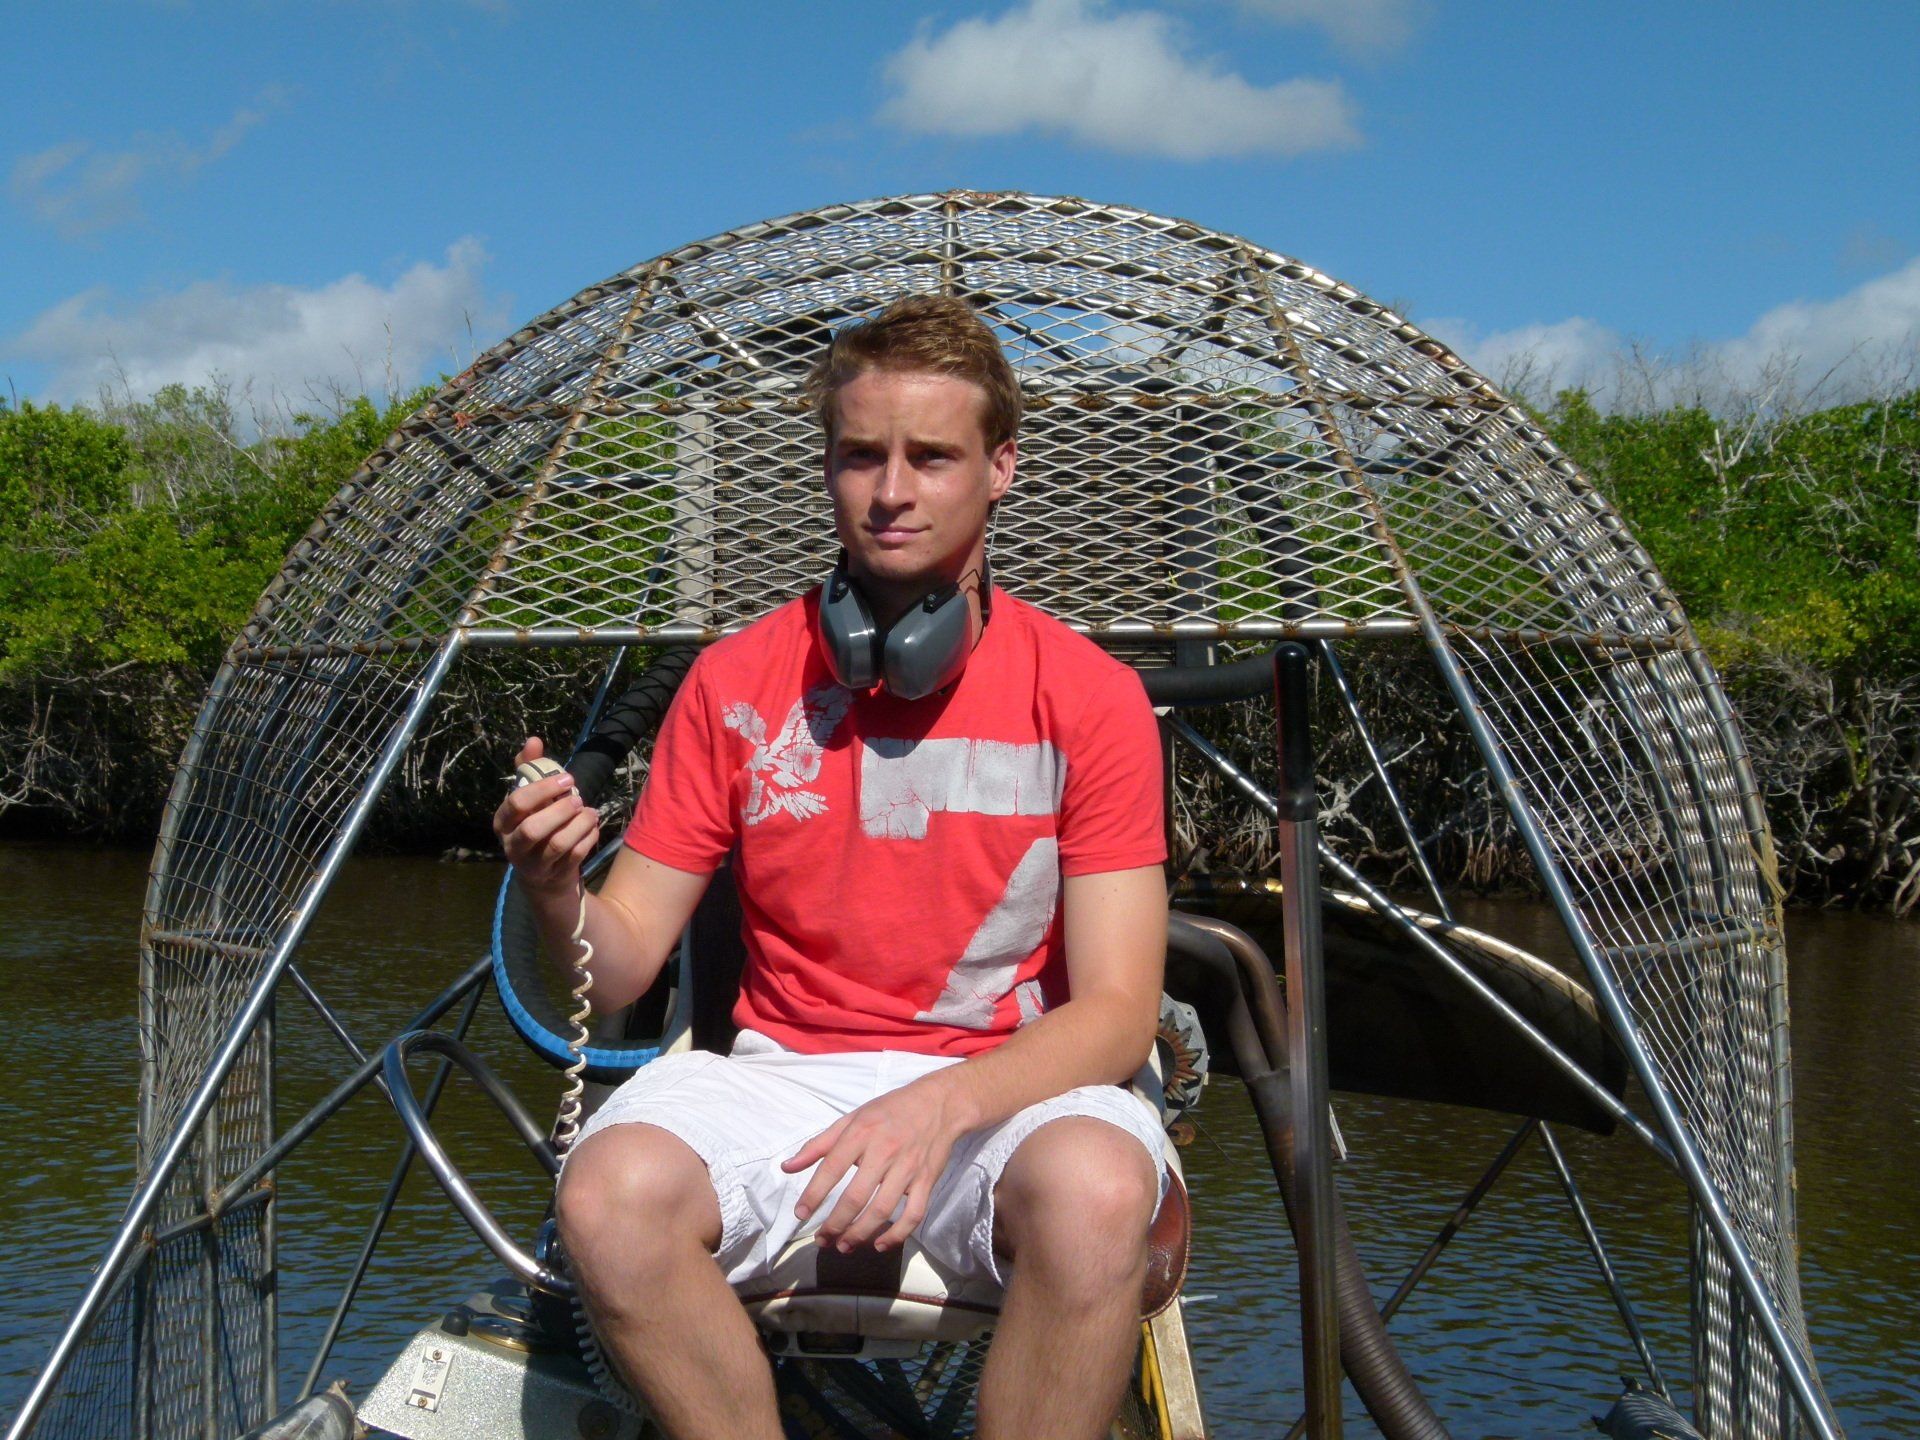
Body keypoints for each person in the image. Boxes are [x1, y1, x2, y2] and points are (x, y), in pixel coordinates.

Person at [495, 295, 1170, 1440]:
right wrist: (554, 885)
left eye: (932, 456)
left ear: (1001, 467)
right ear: (827, 466)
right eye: (861, 454)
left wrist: (941, 1102)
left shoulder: (1093, 698)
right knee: (607, 1200)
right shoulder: (733, 681)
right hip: (778, 1083)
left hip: (1001, 1091)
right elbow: (614, 972)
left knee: (1099, 1196)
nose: (892, 489)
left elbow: (1116, 1012)